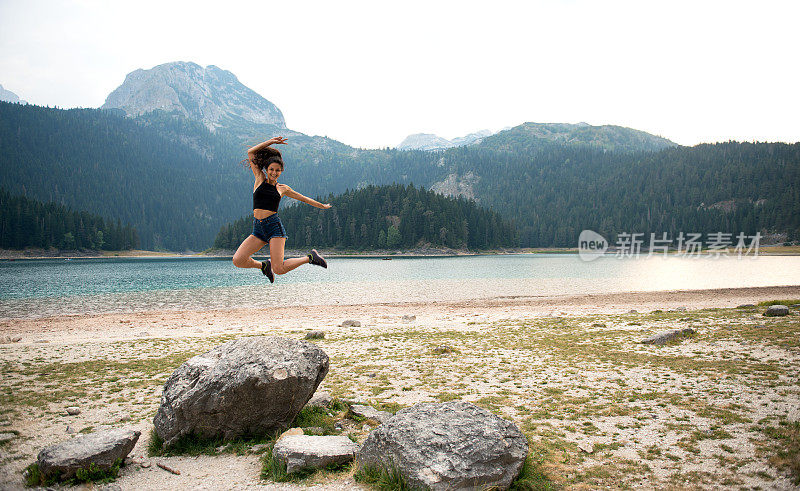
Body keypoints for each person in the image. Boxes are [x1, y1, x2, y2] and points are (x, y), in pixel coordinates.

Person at [232, 136, 330, 282]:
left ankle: (310, 258)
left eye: (278, 170)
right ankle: (264, 266)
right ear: (266, 169)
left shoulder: (282, 189)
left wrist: (321, 205)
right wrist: (271, 141)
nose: (274, 173)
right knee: (238, 260)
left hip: (274, 227)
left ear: (281, 171)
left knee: (279, 269)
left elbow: (303, 198)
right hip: (258, 229)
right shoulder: (259, 178)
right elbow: (251, 152)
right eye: (271, 169)